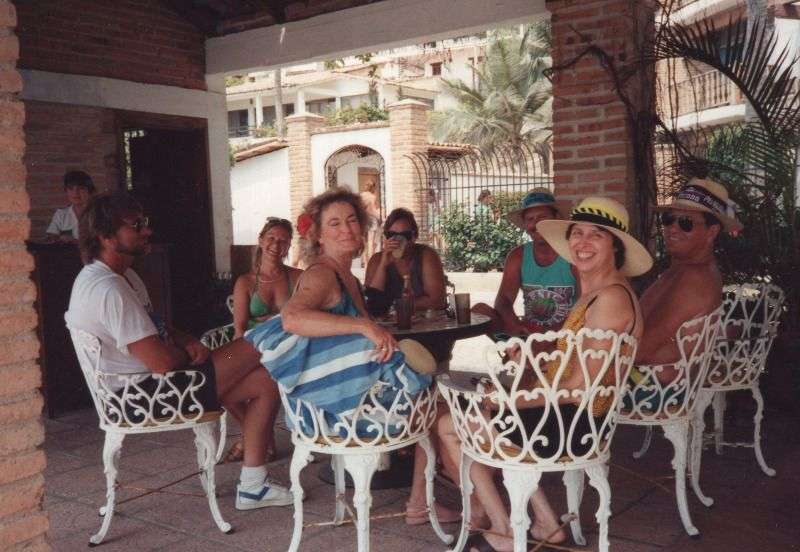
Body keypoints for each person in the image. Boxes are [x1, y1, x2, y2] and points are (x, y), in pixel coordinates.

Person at [438, 197, 651, 552]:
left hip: (578, 424)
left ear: (615, 245)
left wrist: (505, 400)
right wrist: (531, 358)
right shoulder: (597, 292)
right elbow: (575, 360)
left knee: (454, 424)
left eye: (596, 235)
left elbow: (579, 387)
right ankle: (546, 523)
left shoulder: (611, 299)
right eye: (577, 233)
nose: (582, 243)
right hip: (566, 413)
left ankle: (505, 530)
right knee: (465, 417)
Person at [65, 192, 293, 511]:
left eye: (145, 222)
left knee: (265, 379)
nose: (147, 230)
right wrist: (190, 354)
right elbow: (160, 362)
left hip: (151, 385)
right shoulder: (108, 289)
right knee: (264, 339)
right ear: (106, 236)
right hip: (143, 395)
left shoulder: (122, 276)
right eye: (136, 225)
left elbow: (158, 324)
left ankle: (253, 486)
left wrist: (186, 340)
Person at [244, 187, 436, 439]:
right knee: (441, 413)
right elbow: (292, 318)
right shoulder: (322, 275)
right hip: (336, 412)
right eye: (334, 223)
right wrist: (364, 326)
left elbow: (376, 306)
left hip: (353, 400)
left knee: (437, 406)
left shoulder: (347, 278)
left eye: (352, 220)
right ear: (318, 235)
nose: (346, 229)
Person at [635, 178, 741, 382]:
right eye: (668, 219)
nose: (672, 228)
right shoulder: (681, 270)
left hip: (650, 387)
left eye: (686, 223)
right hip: (644, 379)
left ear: (712, 232)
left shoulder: (695, 279)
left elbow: (641, 349)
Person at [224, 217, 303, 463]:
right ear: (260, 240)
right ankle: (261, 437)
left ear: (289, 245)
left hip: (289, 348)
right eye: (271, 238)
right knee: (221, 385)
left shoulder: (297, 277)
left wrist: (276, 320)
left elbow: (306, 315)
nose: (276, 245)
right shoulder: (246, 282)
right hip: (253, 347)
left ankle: (252, 440)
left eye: (283, 241)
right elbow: (239, 328)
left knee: (266, 378)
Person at [472, 188, 579, 337]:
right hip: (528, 332)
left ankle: (524, 349)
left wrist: (549, 336)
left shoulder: (573, 255)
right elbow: (504, 300)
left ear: (556, 218)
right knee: (480, 311)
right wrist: (515, 325)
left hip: (564, 334)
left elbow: (584, 308)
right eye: (530, 219)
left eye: (542, 218)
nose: (535, 224)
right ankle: (517, 348)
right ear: (525, 225)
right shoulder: (518, 256)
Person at [364, 208, 447, 314]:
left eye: (405, 235)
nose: (398, 240)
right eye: (392, 235)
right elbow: (370, 302)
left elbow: (437, 301)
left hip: (424, 320)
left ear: (414, 237)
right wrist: (382, 266)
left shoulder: (426, 256)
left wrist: (394, 304)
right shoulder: (377, 260)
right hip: (388, 322)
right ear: (386, 237)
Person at [45, 170, 96, 242]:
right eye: (70, 188)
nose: (75, 193)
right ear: (66, 191)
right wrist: (55, 238)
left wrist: (74, 241)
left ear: (90, 191)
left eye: (81, 188)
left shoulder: (98, 214)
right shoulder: (61, 214)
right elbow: (50, 237)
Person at [360, 180, 382, 267]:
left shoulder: (361, 196)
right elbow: (372, 210)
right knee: (370, 241)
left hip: (362, 219)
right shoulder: (372, 197)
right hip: (371, 219)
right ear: (373, 187)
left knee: (364, 243)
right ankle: (370, 264)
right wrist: (380, 217)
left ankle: (365, 263)